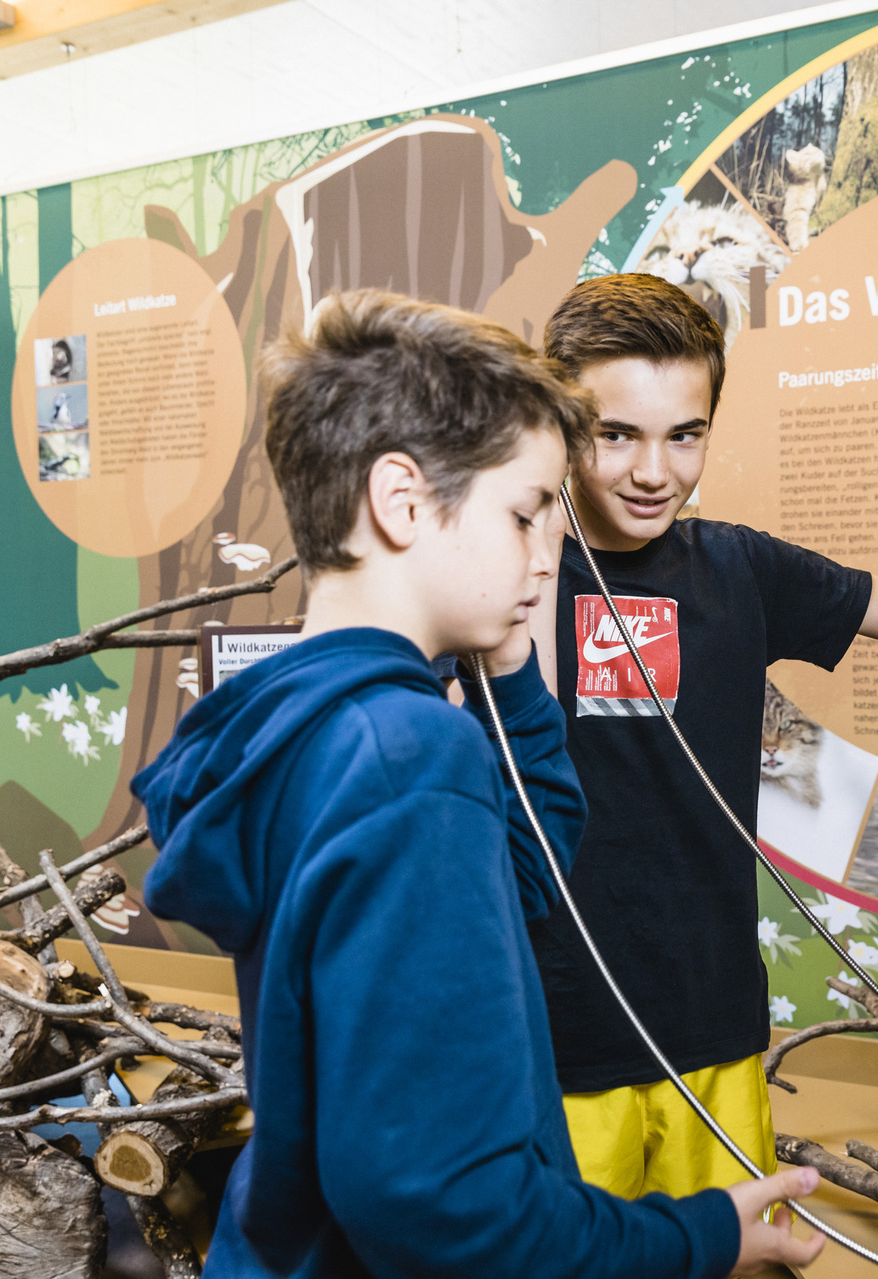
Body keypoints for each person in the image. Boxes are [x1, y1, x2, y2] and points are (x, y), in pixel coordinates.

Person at [133, 290, 824, 1278]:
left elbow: (525, 875)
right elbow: (449, 1211)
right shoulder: (413, 754)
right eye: (526, 513)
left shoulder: (315, 718)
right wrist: (698, 1237)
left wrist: (509, 670)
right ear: (403, 501)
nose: (549, 556)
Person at [529, 273, 878, 1201]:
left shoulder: (737, 567)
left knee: (730, 1251)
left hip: (711, 1020)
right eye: (615, 433)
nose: (653, 471)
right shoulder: (507, 577)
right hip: (553, 1029)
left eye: (685, 435)